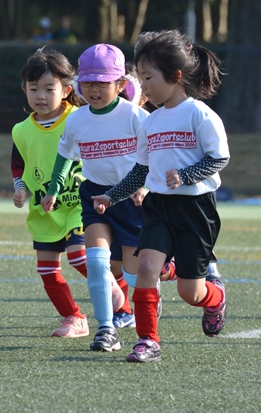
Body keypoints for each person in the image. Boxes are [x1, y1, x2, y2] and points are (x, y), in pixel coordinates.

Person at [93, 30, 229, 363]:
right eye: (139, 78)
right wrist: (112, 196)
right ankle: (147, 340)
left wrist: (186, 175)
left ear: (176, 76)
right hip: (158, 206)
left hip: (196, 209)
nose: (143, 86)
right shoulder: (149, 122)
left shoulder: (200, 115)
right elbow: (140, 171)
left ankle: (215, 298)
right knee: (146, 268)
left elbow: (219, 158)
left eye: (149, 78)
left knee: (190, 291)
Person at [42, 44, 149, 352]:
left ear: (120, 85)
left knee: (133, 272)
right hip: (95, 197)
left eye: (102, 83)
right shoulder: (76, 120)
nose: (93, 89)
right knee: (97, 261)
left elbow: (155, 156)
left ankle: (147, 328)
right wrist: (53, 190)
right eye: (88, 82)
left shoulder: (135, 116)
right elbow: (64, 156)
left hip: (132, 201)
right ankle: (106, 329)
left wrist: (145, 187)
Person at [11, 46, 92, 338]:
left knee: (81, 258)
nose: (40, 96)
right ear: (25, 90)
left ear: (67, 89)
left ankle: (117, 297)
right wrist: (20, 190)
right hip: (45, 209)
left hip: (79, 203)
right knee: (47, 271)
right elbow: (18, 167)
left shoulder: (80, 118)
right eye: (34, 89)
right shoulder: (21, 130)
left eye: (49, 88)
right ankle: (74, 317)